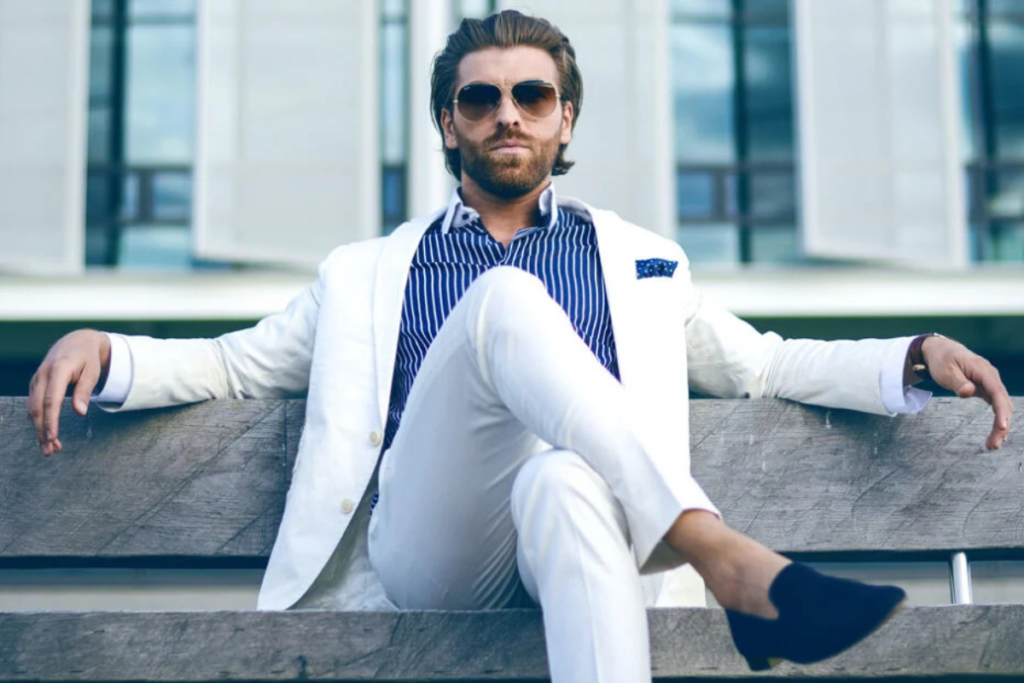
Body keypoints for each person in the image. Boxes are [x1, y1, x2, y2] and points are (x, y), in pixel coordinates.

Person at [28, 10, 1011, 683]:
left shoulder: (640, 260)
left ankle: (719, 565)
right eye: (480, 98)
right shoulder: (367, 272)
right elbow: (234, 366)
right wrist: (101, 346)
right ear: (449, 126)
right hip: (433, 549)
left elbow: (759, 365)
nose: (507, 112)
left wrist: (910, 353)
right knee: (502, 297)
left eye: (532, 95)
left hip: (586, 535)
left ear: (563, 116)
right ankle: (724, 557)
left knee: (563, 479)